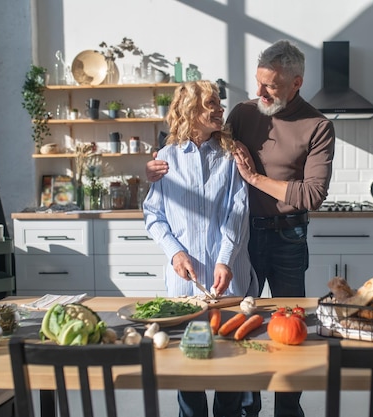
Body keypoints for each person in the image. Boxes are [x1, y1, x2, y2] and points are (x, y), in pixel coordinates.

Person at [146, 40, 335, 417]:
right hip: (245, 241)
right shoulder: (245, 112)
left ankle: (286, 410)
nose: (259, 93)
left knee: (288, 329)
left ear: (295, 83)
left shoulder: (318, 126)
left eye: (271, 86)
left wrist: (253, 177)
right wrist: (147, 172)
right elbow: (191, 141)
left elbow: (312, 194)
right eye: (258, 82)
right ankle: (245, 411)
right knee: (240, 329)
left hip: (286, 237)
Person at [143, 80, 258, 417]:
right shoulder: (165, 158)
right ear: (191, 111)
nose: (221, 109)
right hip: (184, 285)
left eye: (220, 103)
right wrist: (175, 253)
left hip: (231, 280)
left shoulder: (230, 154)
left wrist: (224, 260)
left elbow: (238, 210)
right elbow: (153, 215)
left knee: (230, 368)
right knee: (188, 371)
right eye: (212, 104)